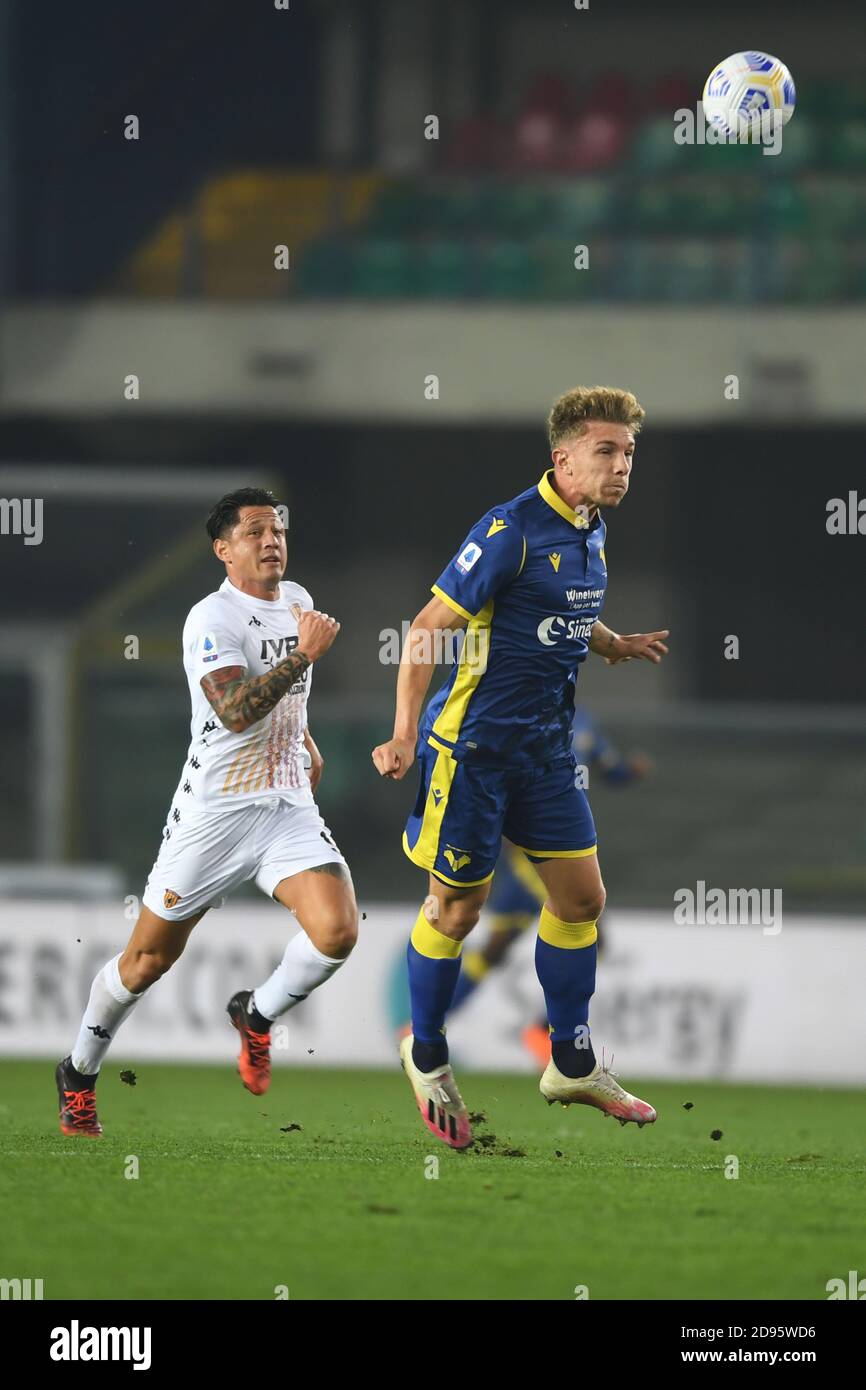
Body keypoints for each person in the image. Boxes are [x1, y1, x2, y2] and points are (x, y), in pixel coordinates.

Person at [373, 386, 668, 1149]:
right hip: (472, 753)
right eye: (607, 451)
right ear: (562, 457)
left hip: (544, 755)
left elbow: (563, 608)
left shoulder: (591, 529)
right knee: (457, 912)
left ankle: (571, 1061)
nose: (622, 465)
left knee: (580, 899)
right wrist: (405, 731)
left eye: (629, 452)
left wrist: (612, 643)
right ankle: (427, 1053)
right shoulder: (508, 530)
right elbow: (426, 630)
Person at [56, 487, 357, 1136]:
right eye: (254, 532)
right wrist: (304, 654)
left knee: (337, 932)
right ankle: (79, 1070)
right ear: (224, 551)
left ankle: (257, 1014)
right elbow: (234, 709)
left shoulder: (298, 601)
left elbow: (282, 702)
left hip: (284, 808)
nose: (271, 539)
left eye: (276, 528)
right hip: (213, 816)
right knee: (146, 963)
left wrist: (302, 740)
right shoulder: (211, 619)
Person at [448, 707, 652, 1065]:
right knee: (592, 937)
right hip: (533, 850)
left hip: (561, 847)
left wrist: (629, 772)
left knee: (496, 947)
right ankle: (547, 1031)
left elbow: (609, 768)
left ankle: (428, 1023)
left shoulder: (584, 721)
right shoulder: (524, 715)